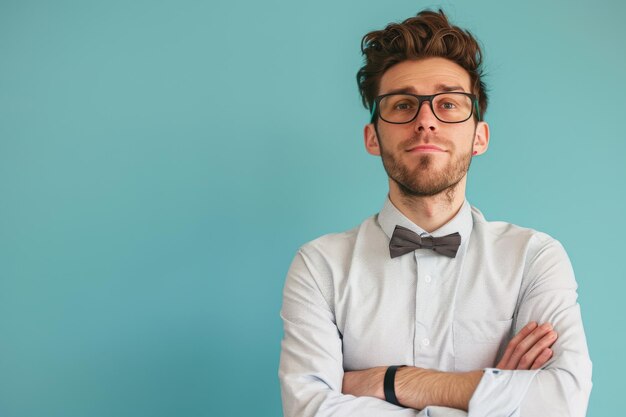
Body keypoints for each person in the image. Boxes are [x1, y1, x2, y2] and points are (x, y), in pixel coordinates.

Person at [278, 9, 592, 417]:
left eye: (448, 103)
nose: (425, 121)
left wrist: (393, 381)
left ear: (479, 136)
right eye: (404, 104)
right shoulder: (319, 266)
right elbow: (310, 411)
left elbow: (562, 401)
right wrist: (492, 394)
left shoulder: (534, 258)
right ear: (373, 137)